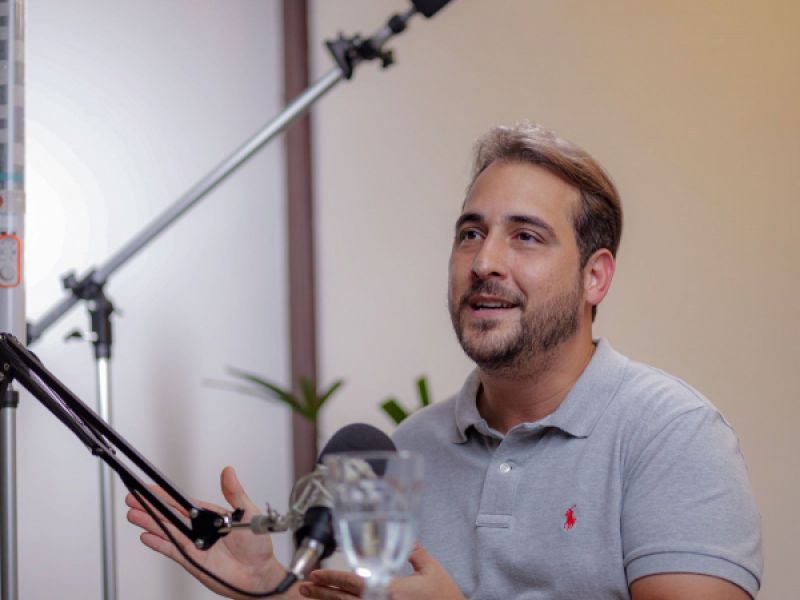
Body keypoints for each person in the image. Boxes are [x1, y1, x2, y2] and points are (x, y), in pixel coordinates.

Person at [127, 122, 762, 599]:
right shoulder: (404, 448)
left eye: (526, 236)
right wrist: (269, 585)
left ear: (595, 277)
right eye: (470, 233)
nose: (484, 261)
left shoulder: (673, 435)